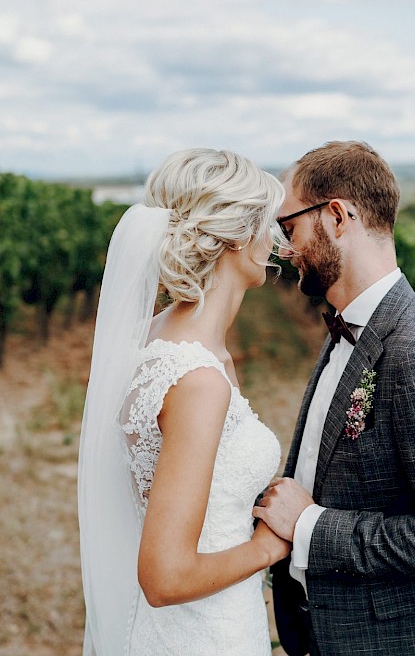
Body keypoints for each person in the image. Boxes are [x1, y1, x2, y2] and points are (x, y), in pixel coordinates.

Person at [254, 141, 415, 655]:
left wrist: (310, 527)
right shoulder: (348, 327)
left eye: (289, 227)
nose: (285, 248)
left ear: (337, 217)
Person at [77, 148, 291, 655]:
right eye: (268, 224)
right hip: (204, 636)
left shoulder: (160, 340)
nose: (276, 240)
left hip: (214, 617)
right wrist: (267, 546)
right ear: (237, 235)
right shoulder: (198, 380)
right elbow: (165, 577)